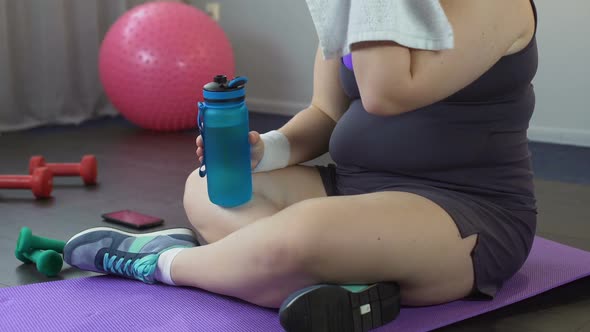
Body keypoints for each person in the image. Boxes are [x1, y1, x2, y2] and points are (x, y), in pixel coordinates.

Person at [64, 0, 539, 330]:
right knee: (207, 186)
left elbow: (386, 92)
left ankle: (163, 262)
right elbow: (327, 113)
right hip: (352, 189)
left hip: (463, 208)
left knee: (301, 236)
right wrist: (265, 151)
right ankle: (338, 278)